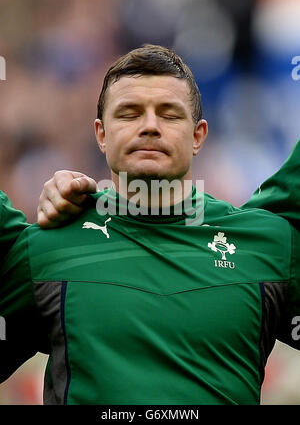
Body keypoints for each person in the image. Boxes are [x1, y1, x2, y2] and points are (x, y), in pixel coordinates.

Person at [0, 44, 299, 405]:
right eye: (129, 113)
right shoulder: (45, 248)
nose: (150, 126)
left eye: (170, 115)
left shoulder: (269, 245)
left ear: (198, 136)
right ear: (101, 134)